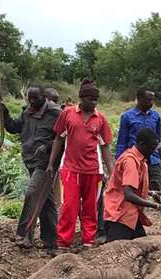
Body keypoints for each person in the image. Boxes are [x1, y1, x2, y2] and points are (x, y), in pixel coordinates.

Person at [46, 78, 113, 250]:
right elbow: (58, 139)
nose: (94, 102)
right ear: (82, 98)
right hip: (70, 168)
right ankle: (63, 242)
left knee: (90, 208)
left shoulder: (101, 119)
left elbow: (105, 147)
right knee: (69, 207)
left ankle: (88, 241)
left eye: (96, 99)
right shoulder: (67, 114)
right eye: (91, 99)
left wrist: (112, 172)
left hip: (93, 170)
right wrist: (51, 163)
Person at [0, 85, 62, 251]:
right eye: (30, 99)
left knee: (32, 194)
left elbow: (62, 138)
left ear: (44, 98)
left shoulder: (56, 114)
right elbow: (13, 127)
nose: (32, 102)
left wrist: (47, 147)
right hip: (30, 161)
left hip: (47, 164)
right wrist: (4, 114)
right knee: (45, 201)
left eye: (36, 99)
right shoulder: (27, 112)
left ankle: (25, 235)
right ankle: (51, 240)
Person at [115, 88, 161, 234]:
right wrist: (118, 163)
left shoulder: (156, 116)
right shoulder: (127, 117)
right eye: (148, 99)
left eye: (153, 99)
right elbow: (122, 142)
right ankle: (128, 227)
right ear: (139, 99)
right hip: (134, 161)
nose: (151, 103)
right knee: (132, 193)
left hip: (153, 161)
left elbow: (158, 142)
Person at [103, 128, 161, 241]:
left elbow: (127, 186)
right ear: (141, 144)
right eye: (151, 148)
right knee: (116, 253)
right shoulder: (131, 162)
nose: (153, 151)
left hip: (129, 214)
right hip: (120, 215)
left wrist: (150, 192)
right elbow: (128, 195)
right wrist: (156, 206)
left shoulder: (140, 160)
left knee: (143, 248)